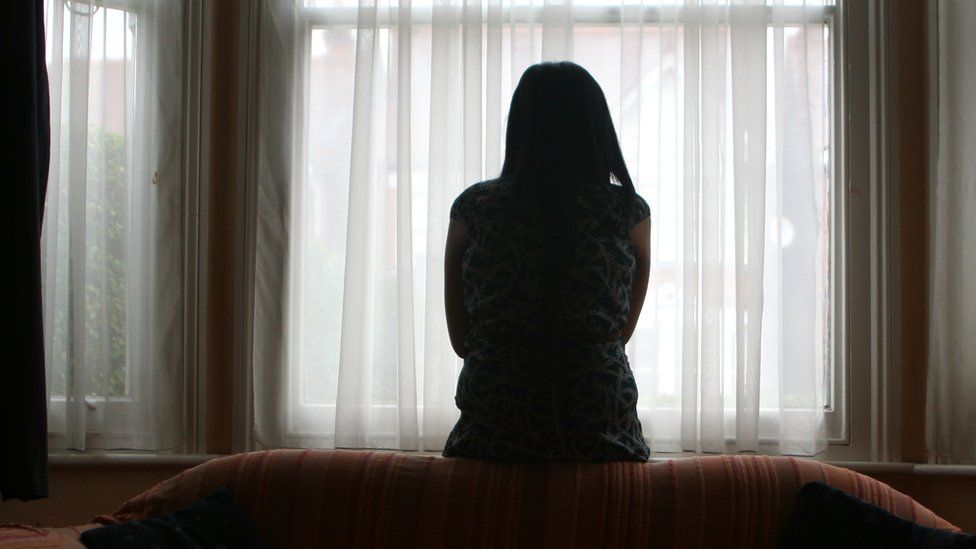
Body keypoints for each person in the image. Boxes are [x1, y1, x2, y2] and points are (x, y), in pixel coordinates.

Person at [442, 61, 652, 462]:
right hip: (597, 416)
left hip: (496, 415)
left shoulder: (473, 209)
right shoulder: (628, 212)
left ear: (519, 128)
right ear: (596, 130)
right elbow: (620, 334)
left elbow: (460, 340)